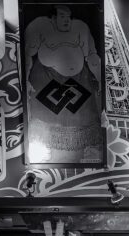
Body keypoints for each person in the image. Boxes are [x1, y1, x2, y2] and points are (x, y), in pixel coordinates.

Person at [25, 4, 102, 163]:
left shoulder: (81, 28)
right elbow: (27, 55)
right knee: (45, 127)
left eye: (68, 17)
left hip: (79, 81)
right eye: (61, 16)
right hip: (46, 81)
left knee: (84, 127)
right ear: (53, 18)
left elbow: (93, 56)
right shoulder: (39, 26)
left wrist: (100, 79)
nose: (66, 20)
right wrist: (25, 80)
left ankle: (77, 162)